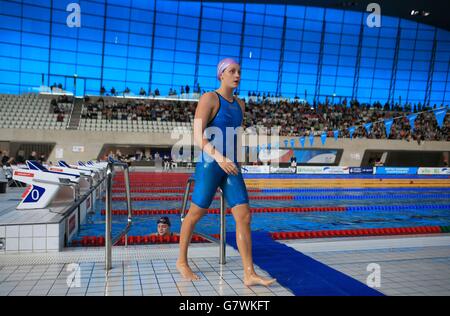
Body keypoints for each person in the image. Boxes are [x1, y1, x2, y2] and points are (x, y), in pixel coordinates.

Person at [176, 58, 276, 287]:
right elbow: (197, 136)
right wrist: (219, 158)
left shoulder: (240, 104)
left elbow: (234, 137)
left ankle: (249, 272)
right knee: (195, 214)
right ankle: (181, 261)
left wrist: (238, 161)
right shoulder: (209, 98)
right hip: (210, 164)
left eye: (239, 71)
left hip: (231, 165)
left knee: (244, 216)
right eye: (232, 71)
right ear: (221, 74)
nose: (237, 75)